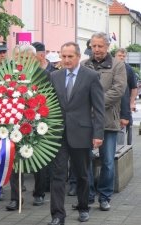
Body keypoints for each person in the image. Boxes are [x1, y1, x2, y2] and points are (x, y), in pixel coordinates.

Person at [48, 41, 105, 225]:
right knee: (57, 175)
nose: (66, 60)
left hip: (82, 133)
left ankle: (83, 207)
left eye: (70, 56)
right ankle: (57, 215)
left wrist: (98, 134)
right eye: (63, 56)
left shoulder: (91, 76)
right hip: (58, 134)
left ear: (78, 57)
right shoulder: (54, 76)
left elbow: (98, 108)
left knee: (82, 174)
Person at [81, 32, 127, 211]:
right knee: (87, 160)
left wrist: (95, 102)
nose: (97, 49)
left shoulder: (118, 65)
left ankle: (105, 196)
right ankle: (89, 194)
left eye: (100, 46)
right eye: (94, 46)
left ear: (107, 46)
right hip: (86, 122)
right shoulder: (84, 64)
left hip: (108, 120)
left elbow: (118, 90)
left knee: (107, 161)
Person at [6, 44, 51, 211]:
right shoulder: (10, 76)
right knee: (13, 159)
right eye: (17, 57)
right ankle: (15, 197)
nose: (21, 61)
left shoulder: (44, 75)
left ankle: (39, 193)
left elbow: (49, 98)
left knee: (39, 160)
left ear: (34, 58)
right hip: (13, 121)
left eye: (24, 58)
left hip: (37, 121)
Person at [115, 48, 138, 145]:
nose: (121, 57)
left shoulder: (129, 69)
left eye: (123, 56)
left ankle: (119, 151)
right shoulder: (109, 67)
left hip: (123, 103)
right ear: (115, 56)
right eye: (119, 55)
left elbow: (134, 88)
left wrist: (131, 102)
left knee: (122, 128)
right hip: (110, 103)